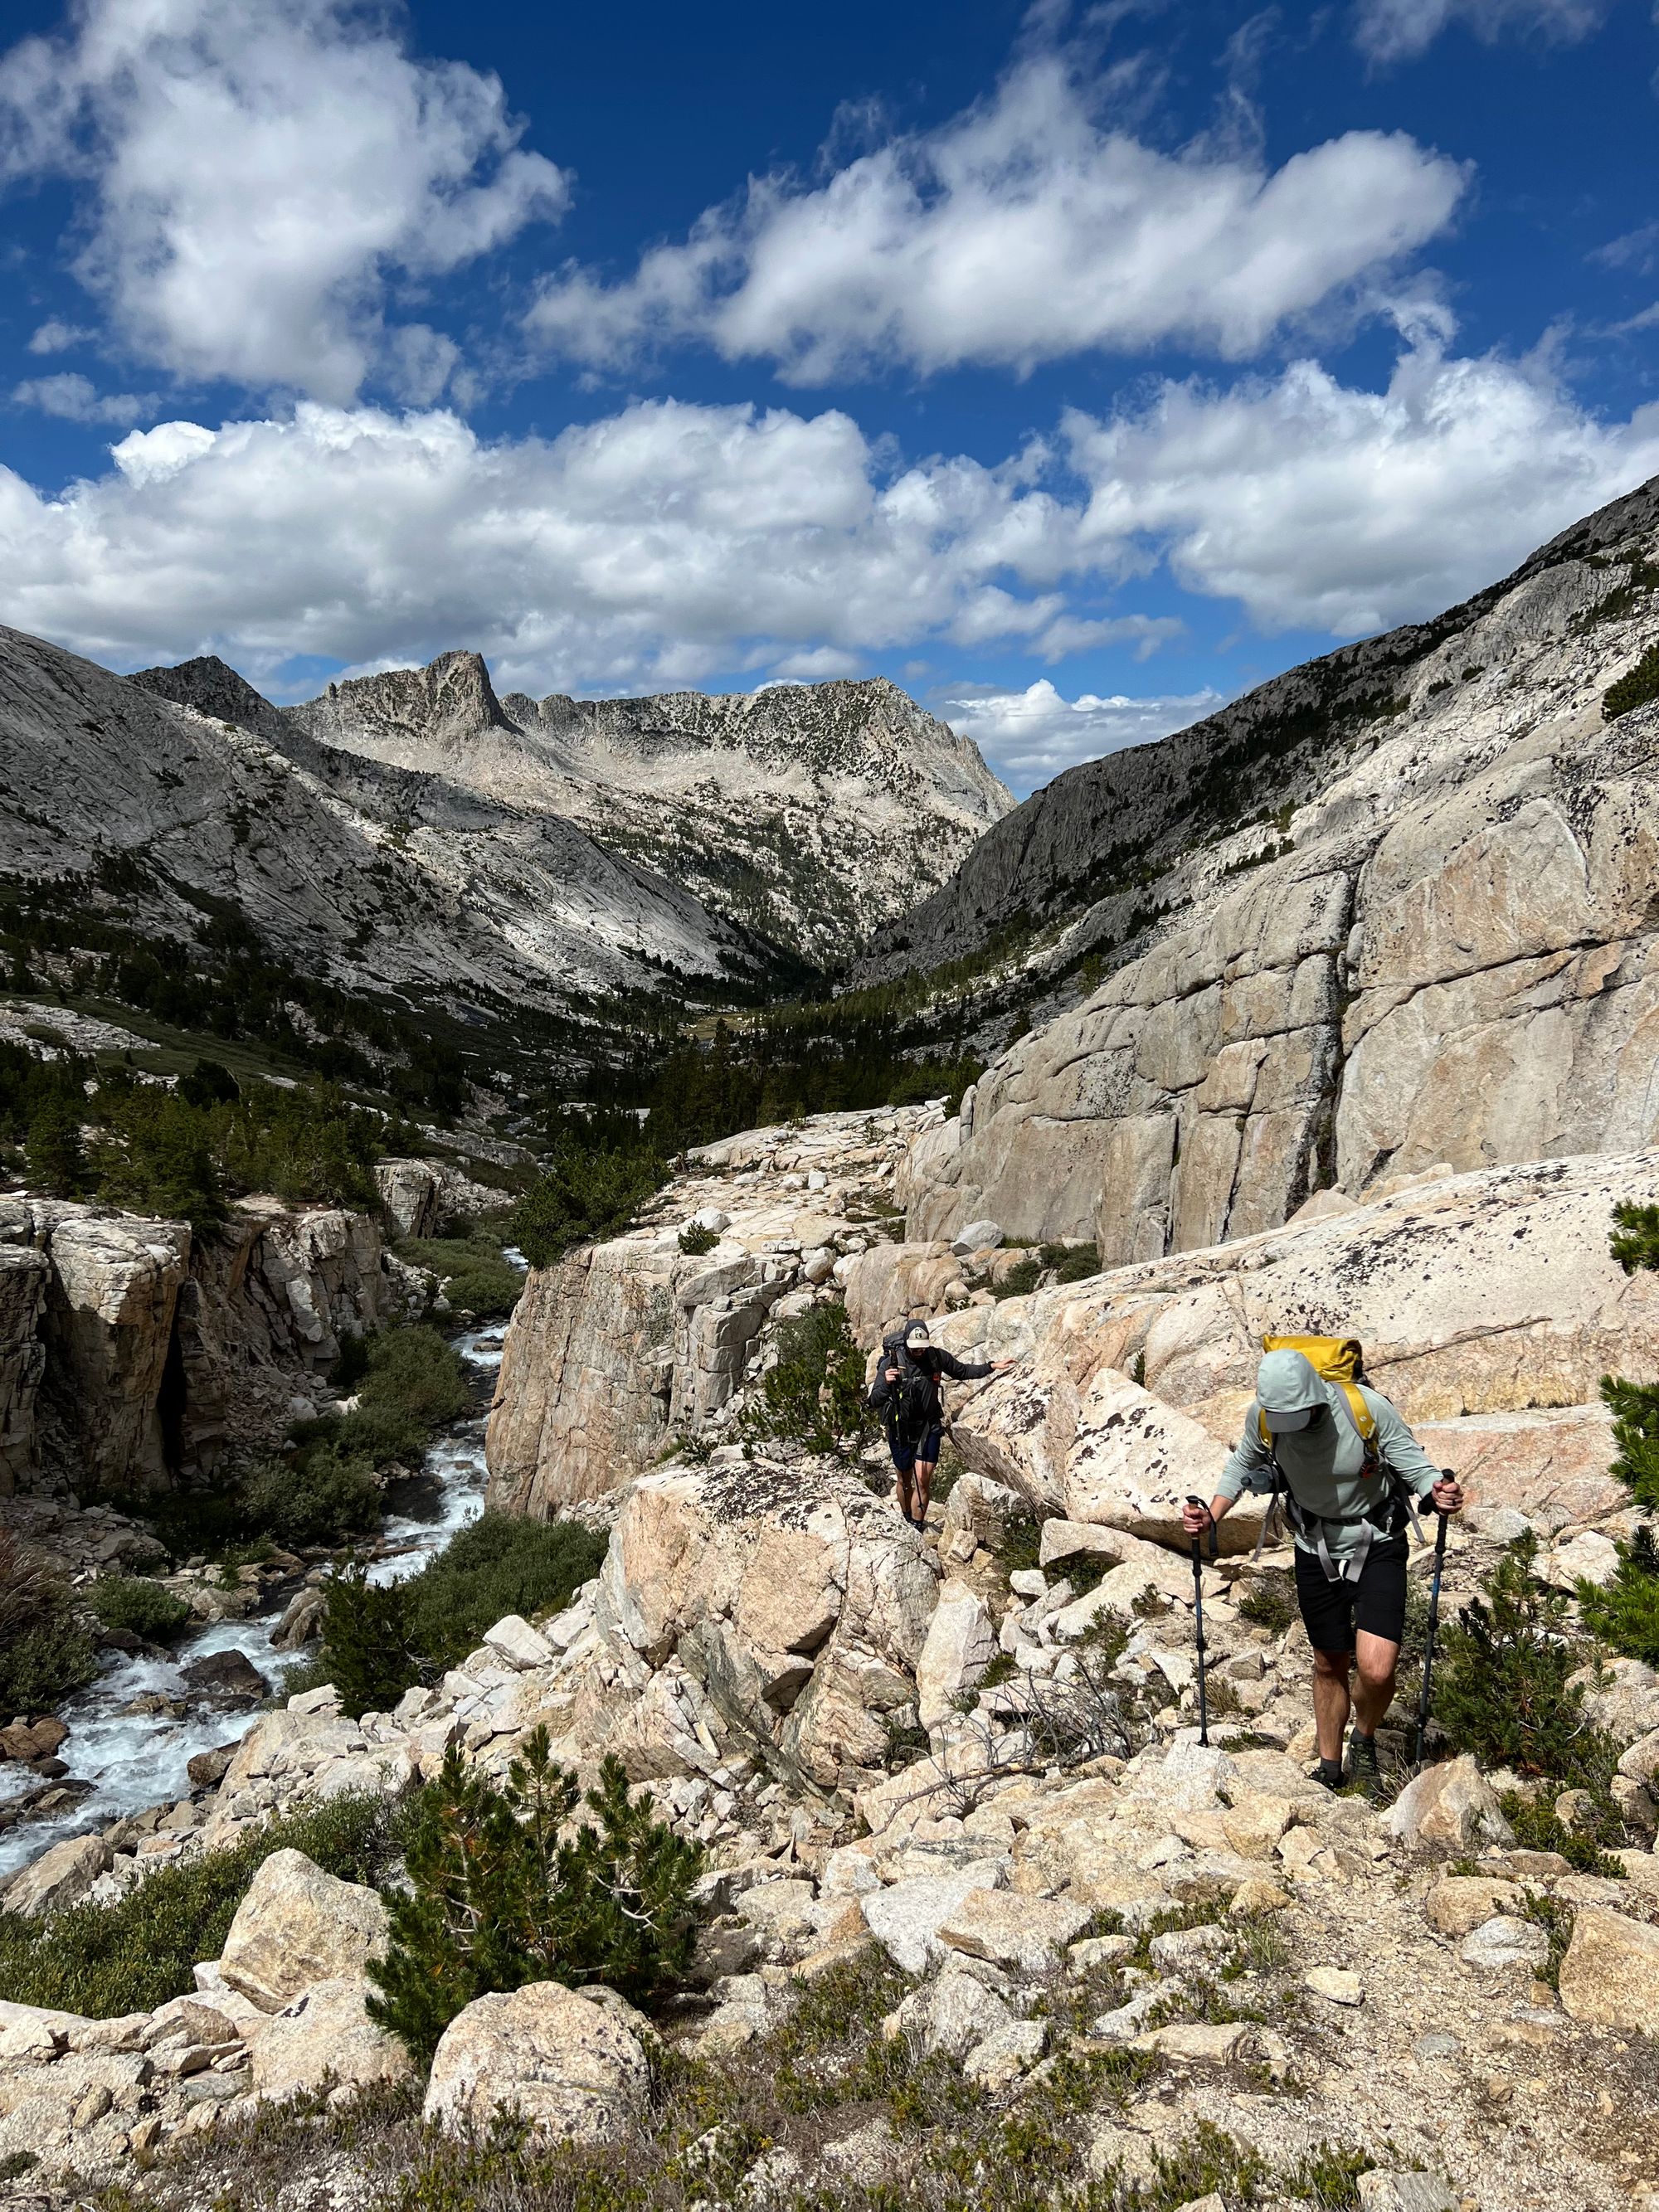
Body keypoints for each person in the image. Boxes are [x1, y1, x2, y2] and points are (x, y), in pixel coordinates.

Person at [1180, 1345, 1463, 1791]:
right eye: (1283, 1418)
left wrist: (1438, 1491)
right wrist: (1212, 1515)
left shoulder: (1364, 1410)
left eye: (1301, 1415)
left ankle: (1364, 1739)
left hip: (1378, 1543)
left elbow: (1416, 1467)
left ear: (1317, 1395)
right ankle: (1330, 1768)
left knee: (1377, 1669)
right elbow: (1240, 1466)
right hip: (1314, 1546)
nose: (1291, 1426)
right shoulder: (1264, 1418)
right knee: (1328, 1660)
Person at [868, 1320, 1013, 1529]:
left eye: (922, 1348)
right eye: (915, 1348)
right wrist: (887, 1383)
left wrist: (991, 1366)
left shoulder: (936, 1357)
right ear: (907, 1343)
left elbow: (962, 1371)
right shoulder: (891, 1363)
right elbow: (874, 1401)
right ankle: (906, 1516)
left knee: (923, 1478)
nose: (919, 1352)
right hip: (901, 1427)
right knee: (904, 1479)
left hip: (929, 1425)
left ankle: (917, 1526)